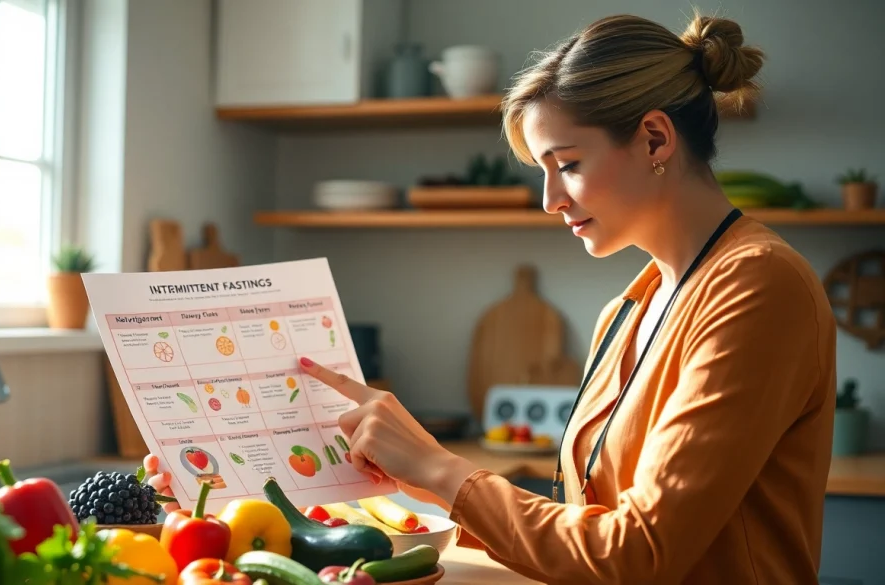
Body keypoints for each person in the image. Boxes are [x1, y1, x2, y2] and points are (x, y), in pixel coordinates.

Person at [145, 12, 837, 585]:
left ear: (655, 137)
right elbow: (584, 531)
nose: (549, 199)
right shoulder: (631, 305)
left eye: (566, 164)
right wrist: (415, 474)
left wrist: (445, 470)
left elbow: (636, 554)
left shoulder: (756, 286)